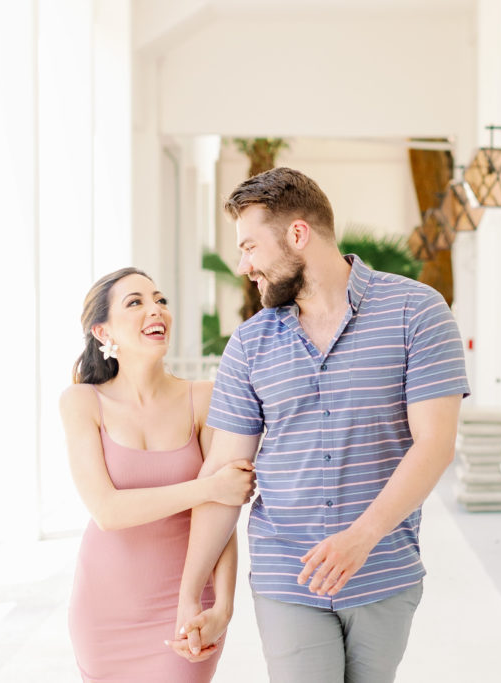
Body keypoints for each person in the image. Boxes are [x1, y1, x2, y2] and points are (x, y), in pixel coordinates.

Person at [171, 168, 470, 682]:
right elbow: (223, 476)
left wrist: (361, 537)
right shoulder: (249, 344)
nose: (243, 265)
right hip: (286, 573)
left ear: (298, 234)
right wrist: (195, 598)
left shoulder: (417, 312)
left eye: (249, 247)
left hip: (384, 570)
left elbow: (436, 444)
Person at [60, 267, 256, 682]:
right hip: (103, 611)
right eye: (136, 302)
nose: (156, 310)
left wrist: (223, 606)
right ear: (102, 331)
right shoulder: (82, 403)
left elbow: (221, 518)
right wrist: (209, 487)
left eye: (160, 300)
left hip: (184, 604)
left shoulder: (203, 398)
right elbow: (107, 512)